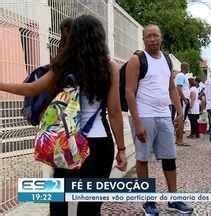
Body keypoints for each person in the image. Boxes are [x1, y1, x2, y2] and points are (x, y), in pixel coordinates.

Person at [0, 15, 128, 216]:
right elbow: (113, 111)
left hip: (66, 142)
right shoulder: (110, 67)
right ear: (99, 37)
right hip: (99, 144)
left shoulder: (63, 65)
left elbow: (32, 89)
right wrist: (121, 148)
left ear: (74, 37)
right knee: (91, 207)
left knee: (59, 199)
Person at [125, 24, 193, 215]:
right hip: (144, 115)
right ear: (144, 39)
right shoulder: (137, 60)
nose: (152, 39)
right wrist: (137, 123)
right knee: (143, 158)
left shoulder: (166, 59)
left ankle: (173, 199)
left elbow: (171, 87)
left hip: (164, 115)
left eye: (156, 35)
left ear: (161, 38)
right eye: (149, 36)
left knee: (170, 157)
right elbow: (129, 92)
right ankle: (148, 201)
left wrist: (179, 112)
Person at [175, 63, 191, 145]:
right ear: (185, 67)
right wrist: (184, 98)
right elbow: (178, 88)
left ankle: (179, 138)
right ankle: (179, 139)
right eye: (188, 67)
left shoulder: (182, 76)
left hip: (183, 99)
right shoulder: (181, 75)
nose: (189, 68)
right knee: (180, 119)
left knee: (181, 118)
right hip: (182, 99)